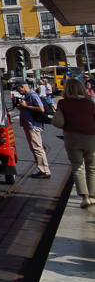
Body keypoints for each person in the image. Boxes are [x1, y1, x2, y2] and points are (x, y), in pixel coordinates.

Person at [54, 78, 95, 208]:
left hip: (71, 137)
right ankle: (93, 196)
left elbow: (60, 119)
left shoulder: (62, 103)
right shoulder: (90, 102)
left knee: (77, 167)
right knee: (92, 167)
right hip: (90, 137)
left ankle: (85, 198)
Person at [14, 80, 52, 178]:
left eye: (17, 88)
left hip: (33, 126)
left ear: (22, 86)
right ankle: (42, 169)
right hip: (30, 125)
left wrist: (26, 106)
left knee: (37, 148)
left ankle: (45, 171)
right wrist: (22, 108)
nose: (17, 91)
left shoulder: (32, 95)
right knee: (35, 148)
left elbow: (41, 108)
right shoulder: (28, 96)